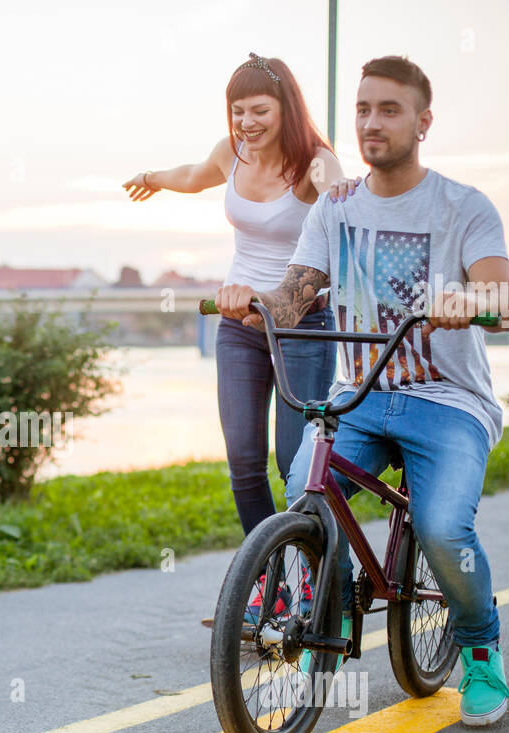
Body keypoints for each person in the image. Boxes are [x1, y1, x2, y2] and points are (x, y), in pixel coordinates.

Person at [214, 55, 509, 727]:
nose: (371, 123)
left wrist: (469, 299)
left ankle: (479, 652)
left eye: (388, 110)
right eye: (362, 110)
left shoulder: (463, 207)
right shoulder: (335, 207)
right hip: (362, 396)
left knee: (443, 527)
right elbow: (293, 299)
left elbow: (505, 299)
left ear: (422, 121)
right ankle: (336, 601)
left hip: (448, 402)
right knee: (306, 494)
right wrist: (252, 302)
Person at [124, 53, 345, 542]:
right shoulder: (232, 153)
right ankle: (268, 585)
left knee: (296, 466)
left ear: (286, 106)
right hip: (238, 323)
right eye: (238, 110)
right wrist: (153, 179)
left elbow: (346, 222)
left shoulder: (316, 163)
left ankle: (319, 580)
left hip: (301, 326)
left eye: (260, 110)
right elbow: (194, 174)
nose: (247, 123)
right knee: (245, 463)